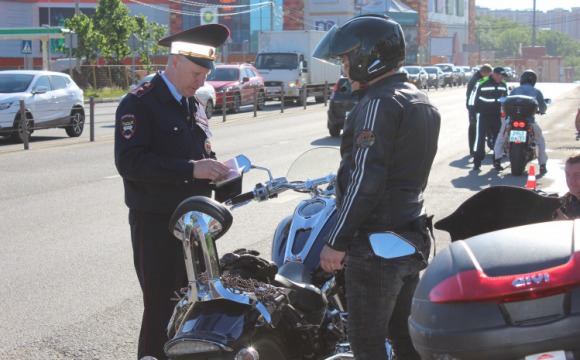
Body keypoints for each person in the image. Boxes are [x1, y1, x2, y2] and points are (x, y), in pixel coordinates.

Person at [313, 14, 441, 360]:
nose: (343, 69)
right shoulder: (421, 100)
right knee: (405, 338)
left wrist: (336, 241)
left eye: (344, 60)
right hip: (409, 236)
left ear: (366, 56)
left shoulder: (378, 103)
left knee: (366, 342)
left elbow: (365, 181)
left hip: (374, 245)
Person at [114, 24, 232, 360]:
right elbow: (131, 162)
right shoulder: (140, 103)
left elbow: (199, 155)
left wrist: (217, 173)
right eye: (196, 73)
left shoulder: (192, 104)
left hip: (195, 224)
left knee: (195, 306)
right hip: (157, 225)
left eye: (204, 74)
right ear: (175, 61)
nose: (201, 82)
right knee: (162, 310)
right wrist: (191, 169)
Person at [493, 69, 548, 174]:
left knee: (501, 137)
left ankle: (497, 160)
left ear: (522, 79)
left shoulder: (515, 90)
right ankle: (542, 165)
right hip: (529, 121)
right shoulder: (536, 91)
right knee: (540, 141)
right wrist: (541, 111)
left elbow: (506, 101)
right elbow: (543, 108)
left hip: (511, 120)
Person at [467, 66, 508, 170]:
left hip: (496, 115)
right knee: (479, 139)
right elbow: (472, 98)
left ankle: (497, 161)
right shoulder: (481, 82)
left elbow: (506, 100)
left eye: (503, 76)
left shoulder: (503, 85)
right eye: (501, 76)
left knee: (498, 139)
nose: (502, 78)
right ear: (494, 74)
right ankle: (477, 161)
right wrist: (472, 114)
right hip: (482, 115)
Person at [465, 64, 492, 156]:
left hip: (477, 106)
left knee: (478, 127)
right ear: (484, 73)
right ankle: (473, 150)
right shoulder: (476, 80)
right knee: (474, 127)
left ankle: (477, 149)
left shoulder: (478, 78)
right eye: (488, 74)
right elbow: (473, 96)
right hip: (474, 107)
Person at [554, 153, 580, 219]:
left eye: (577, 175)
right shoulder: (567, 200)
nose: (570, 181)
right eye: (568, 175)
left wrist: (567, 224)